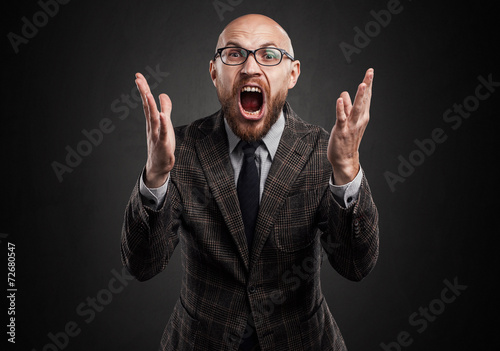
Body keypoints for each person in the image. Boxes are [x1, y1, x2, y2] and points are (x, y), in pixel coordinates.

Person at [121, 13, 379, 351]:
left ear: (292, 74)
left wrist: (346, 170)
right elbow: (142, 265)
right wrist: (155, 177)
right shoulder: (180, 149)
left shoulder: (321, 151)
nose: (250, 68)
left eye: (269, 55)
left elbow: (355, 265)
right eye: (234, 54)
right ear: (215, 72)